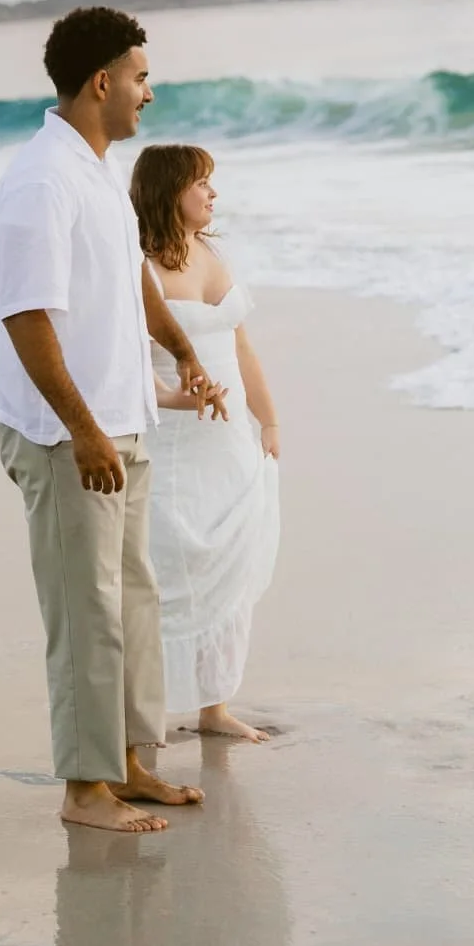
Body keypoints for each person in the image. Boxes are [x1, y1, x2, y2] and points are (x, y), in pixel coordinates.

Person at [0, 8, 225, 833]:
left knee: (132, 598)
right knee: (85, 607)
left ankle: (127, 762)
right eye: (139, 77)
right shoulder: (41, 182)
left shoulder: (96, 169)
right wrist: (81, 430)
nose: (148, 93)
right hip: (65, 431)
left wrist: (181, 348)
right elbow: (27, 315)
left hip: (122, 417)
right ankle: (85, 789)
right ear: (101, 82)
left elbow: (132, 279)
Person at [129, 145, 281, 743]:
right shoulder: (138, 266)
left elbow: (242, 348)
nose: (213, 193)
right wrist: (173, 398)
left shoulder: (215, 253)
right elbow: (126, 362)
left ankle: (215, 709)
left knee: (228, 568)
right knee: (169, 570)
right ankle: (143, 712)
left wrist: (268, 420)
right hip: (172, 440)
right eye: (201, 183)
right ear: (171, 191)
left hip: (229, 437)